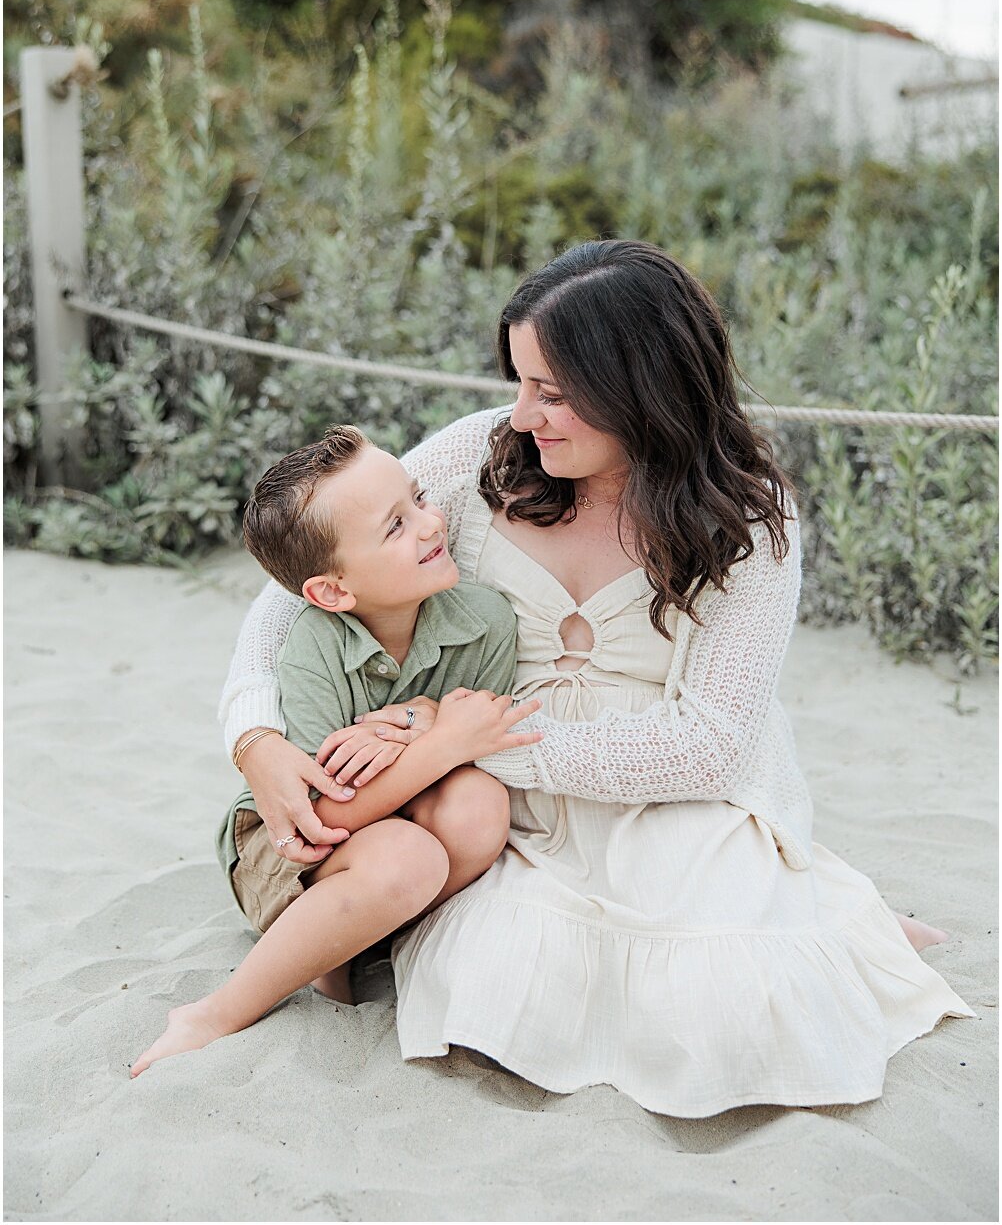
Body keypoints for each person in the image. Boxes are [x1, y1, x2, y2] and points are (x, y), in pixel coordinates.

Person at [220, 240, 973, 1117]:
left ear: (641, 385)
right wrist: (254, 734)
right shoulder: (481, 458)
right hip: (496, 803)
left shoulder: (752, 517)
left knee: (734, 994)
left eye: (552, 391)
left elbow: (710, 744)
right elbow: (292, 597)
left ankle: (829, 914)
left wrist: (466, 741)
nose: (522, 412)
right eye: (518, 380)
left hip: (666, 788)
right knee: (495, 983)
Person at [131, 426, 542, 1077]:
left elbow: (477, 742)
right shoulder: (313, 644)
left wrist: (430, 720)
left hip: (397, 826)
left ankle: (353, 944)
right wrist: (439, 744)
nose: (432, 525)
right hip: (290, 843)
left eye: (419, 500)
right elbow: (324, 817)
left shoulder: (484, 620)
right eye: (395, 527)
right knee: (408, 858)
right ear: (332, 591)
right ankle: (220, 1009)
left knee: (479, 807)